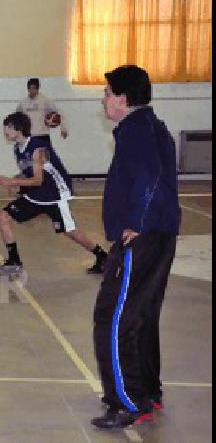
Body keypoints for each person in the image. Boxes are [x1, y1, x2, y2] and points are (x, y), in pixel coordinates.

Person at [91, 65, 180, 429]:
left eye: (108, 92)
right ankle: (146, 391)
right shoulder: (149, 126)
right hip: (158, 234)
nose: (104, 99)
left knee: (112, 317)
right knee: (141, 315)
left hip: (143, 237)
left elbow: (149, 177)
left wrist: (136, 224)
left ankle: (126, 400)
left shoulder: (137, 130)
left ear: (124, 99)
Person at [0, 112, 108, 276]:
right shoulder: (18, 148)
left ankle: (103, 257)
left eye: (9, 127)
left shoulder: (37, 149)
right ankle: (14, 261)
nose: (6, 130)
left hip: (55, 193)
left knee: (70, 231)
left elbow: (38, 180)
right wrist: (16, 179)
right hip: (38, 193)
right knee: (4, 216)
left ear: (19, 129)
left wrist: (12, 182)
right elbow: (30, 174)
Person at [16, 77, 68, 146]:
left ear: (38, 88)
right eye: (29, 88)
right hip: (28, 137)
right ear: (27, 88)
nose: (31, 91)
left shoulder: (45, 100)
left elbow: (59, 113)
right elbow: (16, 118)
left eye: (34, 88)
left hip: (43, 136)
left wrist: (63, 129)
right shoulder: (23, 103)